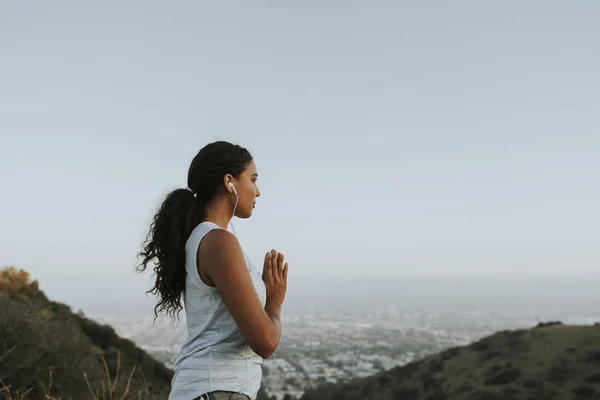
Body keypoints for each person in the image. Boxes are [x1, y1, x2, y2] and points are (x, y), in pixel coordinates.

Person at [137, 141, 288, 400]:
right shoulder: (219, 242)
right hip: (216, 390)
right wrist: (274, 301)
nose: (258, 191)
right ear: (230, 182)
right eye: (253, 179)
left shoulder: (203, 239)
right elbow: (265, 342)